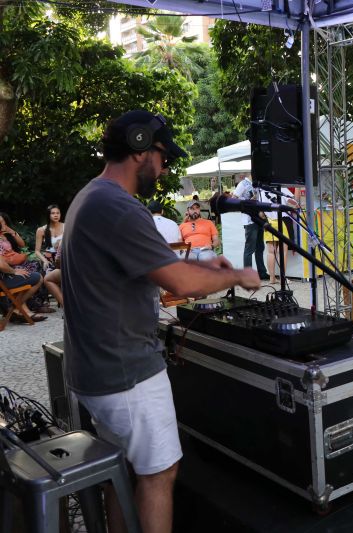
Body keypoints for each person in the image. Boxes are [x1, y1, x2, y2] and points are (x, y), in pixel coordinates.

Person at [61, 109, 260, 533]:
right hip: (126, 374)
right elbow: (180, 284)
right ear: (138, 148)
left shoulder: (91, 197)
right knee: (158, 475)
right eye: (163, 155)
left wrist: (205, 260)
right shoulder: (117, 207)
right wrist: (237, 276)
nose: (165, 166)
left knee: (125, 470)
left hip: (98, 369)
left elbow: (154, 261)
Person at [233, 174, 268, 280]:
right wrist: (248, 202)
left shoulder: (258, 185)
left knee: (260, 247)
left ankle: (262, 272)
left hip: (259, 219)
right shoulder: (243, 184)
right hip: (249, 220)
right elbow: (234, 199)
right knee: (249, 248)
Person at [261, 186, 299, 284]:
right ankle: (283, 278)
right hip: (282, 221)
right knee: (283, 251)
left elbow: (260, 212)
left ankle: (272, 278)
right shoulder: (281, 188)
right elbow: (294, 203)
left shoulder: (261, 190)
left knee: (270, 252)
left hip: (269, 222)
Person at [0, 255, 45, 323]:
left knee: (19, 280)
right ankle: (13, 309)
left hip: (4, 280)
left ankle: (21, 310)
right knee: (38, 277)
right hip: (2, 283)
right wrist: (14, 271)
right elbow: (2, 266)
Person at [34, 204, 64, 272]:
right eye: (53, 213)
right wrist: (45, 261)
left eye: (58, 213)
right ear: (48, 215)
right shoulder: (41, 230)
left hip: (63, 258)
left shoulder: (66, 227)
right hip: (49, 259)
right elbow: (37, 251)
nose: (56, 215)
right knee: (48, 277)